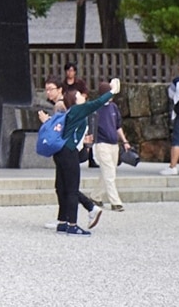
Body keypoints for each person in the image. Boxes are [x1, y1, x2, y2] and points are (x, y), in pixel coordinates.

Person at [39, 78, 119, 234]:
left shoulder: (70, 112)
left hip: (61, 152)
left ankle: (62, 222)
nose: (83, 97)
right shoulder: (77, 110)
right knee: (72, 189)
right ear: (75, 100)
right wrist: (112, 91)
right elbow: (97, 103)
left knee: (62, 187)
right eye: (79, 96)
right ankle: (72, 224)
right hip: (69, 152)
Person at [90, 80, 131, 210]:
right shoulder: (96, 108)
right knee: (110, 173)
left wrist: (124, 141)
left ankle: (95, 196)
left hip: (114, 144)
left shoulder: (113, 107)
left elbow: (118, 126)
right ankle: (115, 202)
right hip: (102, 144)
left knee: (107, 172)